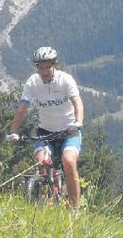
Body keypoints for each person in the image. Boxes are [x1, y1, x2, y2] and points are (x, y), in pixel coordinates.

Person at [6, 46, 84, 211]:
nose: (44, 71)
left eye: (47, 66)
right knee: (42, 163)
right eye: (41, 67)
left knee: (69, 162)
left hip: (69, 131)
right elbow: (22, 110)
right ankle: (45, 203)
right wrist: (13, 132)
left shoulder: (65, 80)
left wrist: (78, 122)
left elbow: (78, 103)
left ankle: (75, 209)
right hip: (45, 132)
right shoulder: (33, 82)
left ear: (53, 65)